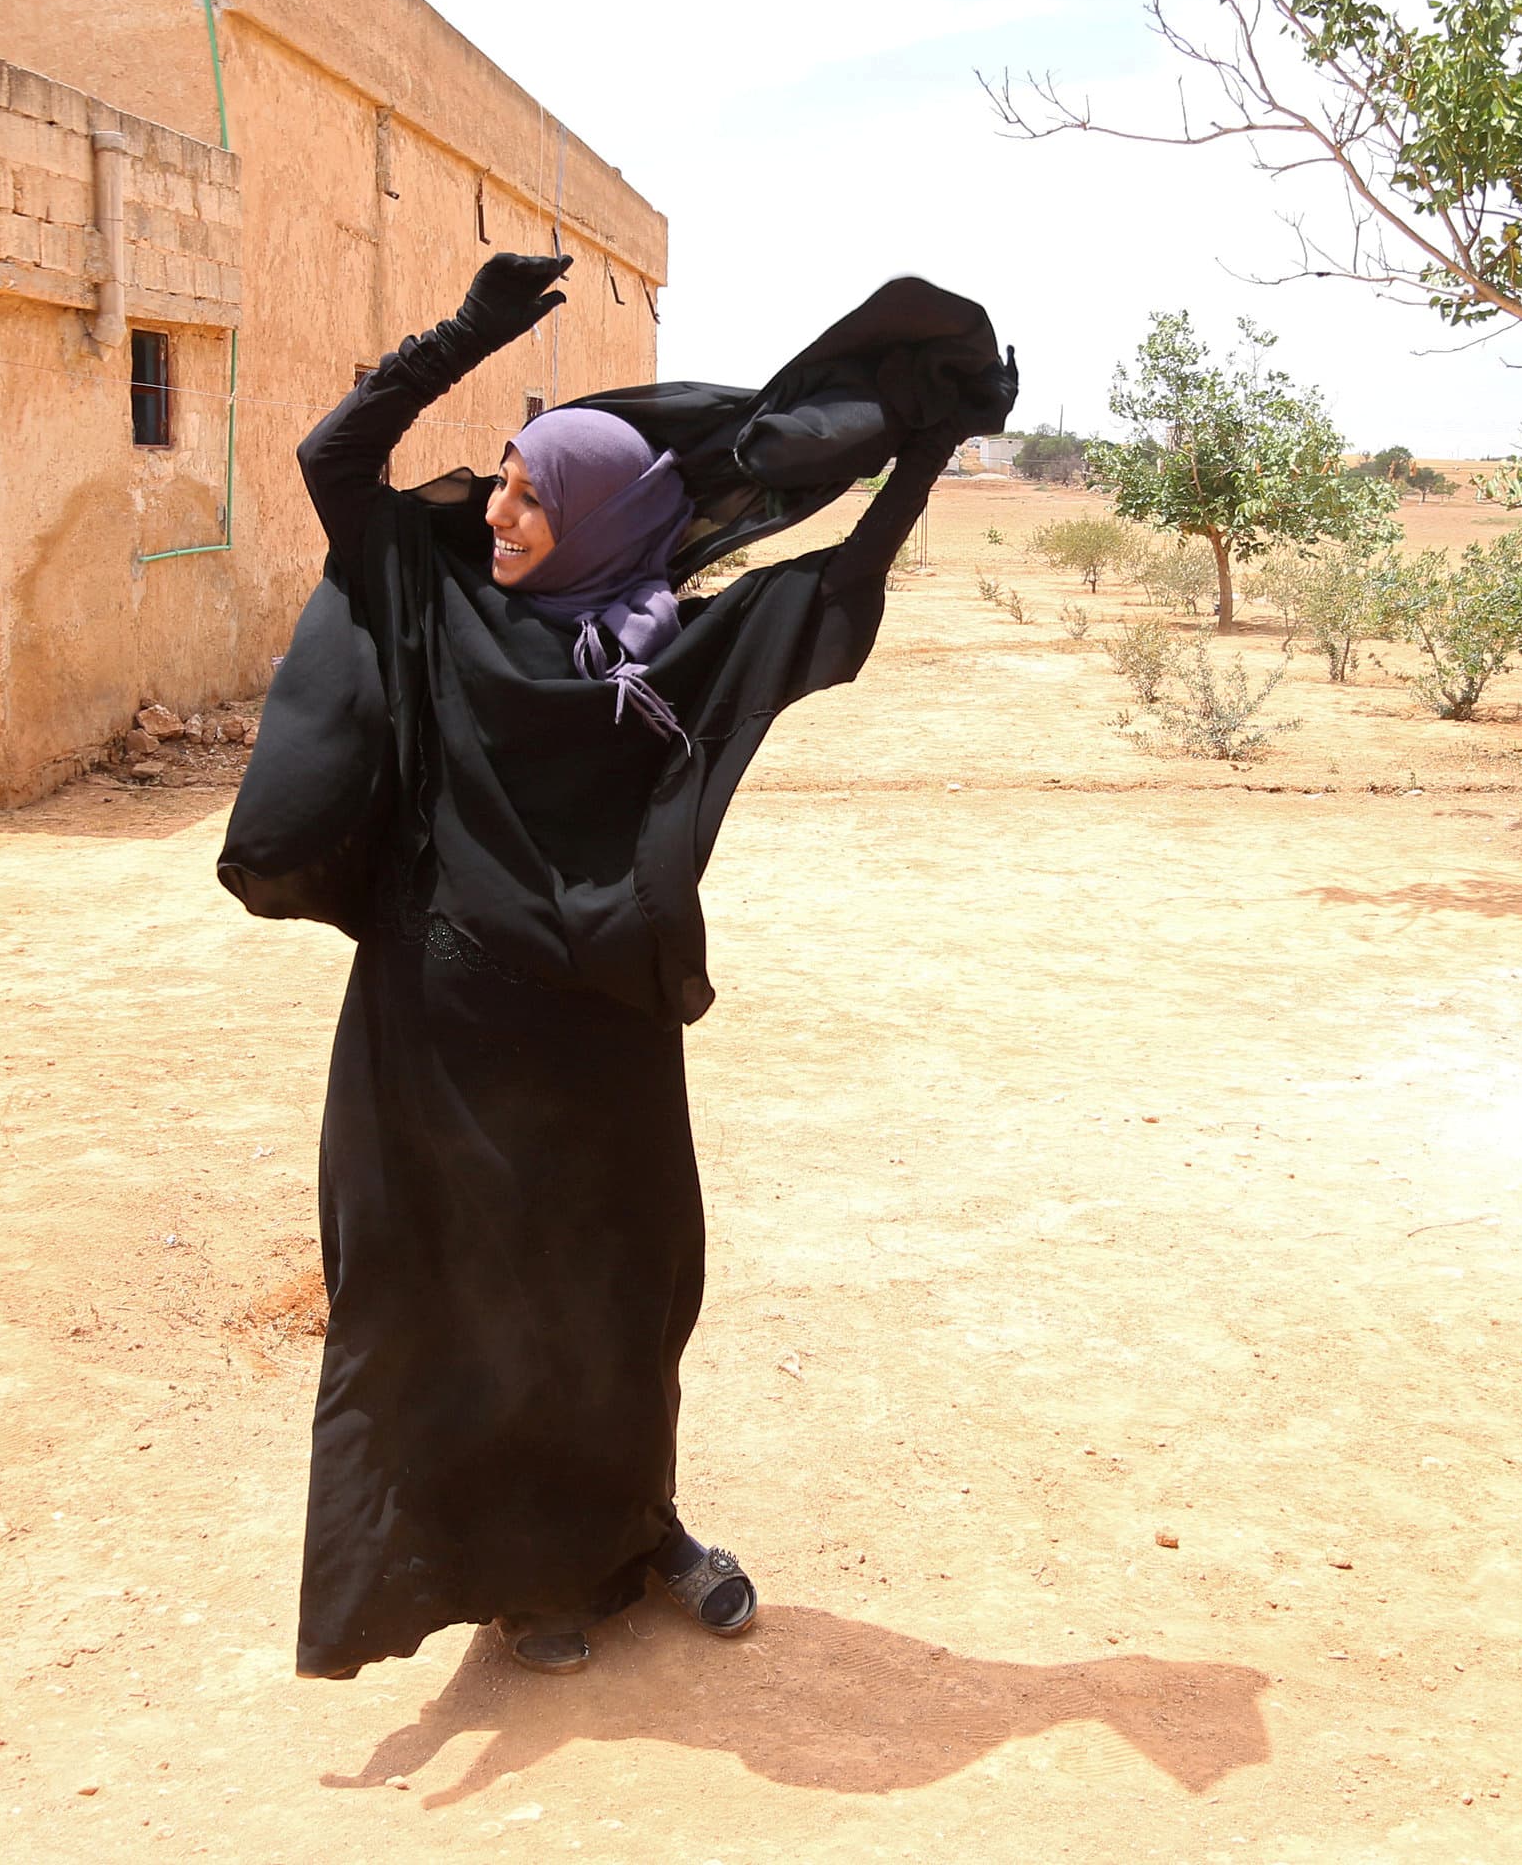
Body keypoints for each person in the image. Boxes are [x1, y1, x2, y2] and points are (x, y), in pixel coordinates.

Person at [222, 251, 1012, 1681]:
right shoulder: (433, 597)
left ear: (612, 516)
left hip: (605, 1031)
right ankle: (521, 1578)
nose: (507, 515)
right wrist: (458, 336)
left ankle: (633, 1531)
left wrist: (928, 448)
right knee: (469, 1296)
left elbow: (842, 584)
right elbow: (335, 459)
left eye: (538, 494)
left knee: (621, 1287)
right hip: (440, 1023)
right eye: (506, 483)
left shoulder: (677, 650)